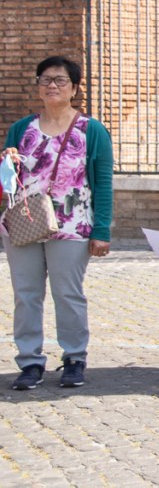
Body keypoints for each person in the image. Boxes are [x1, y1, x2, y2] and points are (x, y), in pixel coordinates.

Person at [2, 56, 114, 390]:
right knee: (26, 295)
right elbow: (8, 183)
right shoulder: (21, 129)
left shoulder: (91, 130)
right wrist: (6, 164)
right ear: (38, 86)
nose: (52, 85)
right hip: (24, 222)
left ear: (74, 88)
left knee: (68, 294)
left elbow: (103, 184)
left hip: (72, 225)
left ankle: (75, 358)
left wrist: (101, 231)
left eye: (60, 80)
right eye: (45, 79)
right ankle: (30, 361)